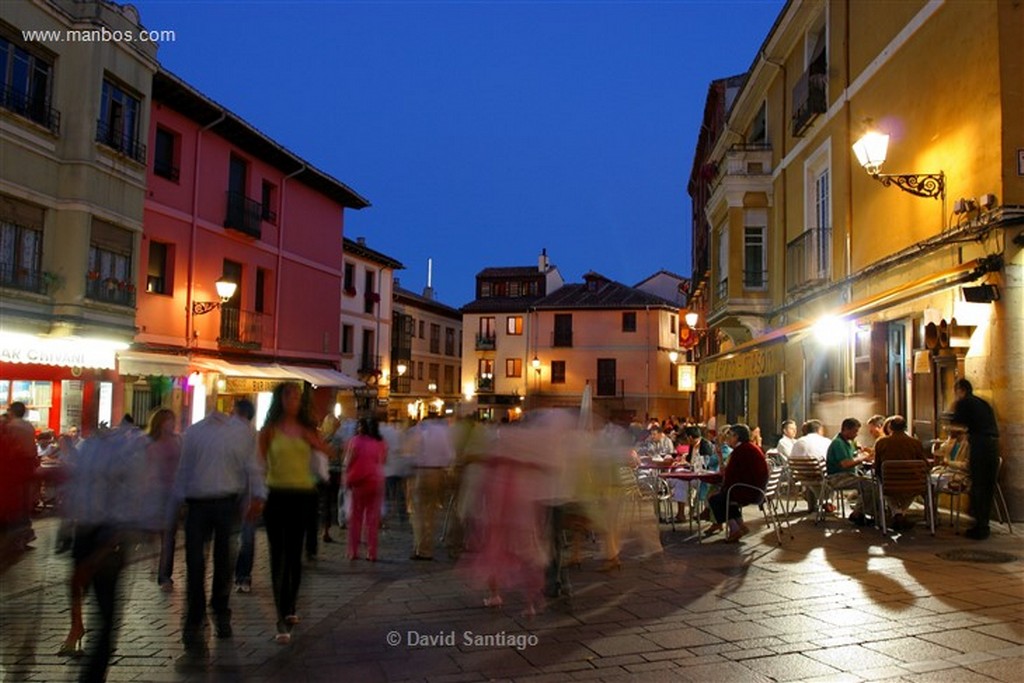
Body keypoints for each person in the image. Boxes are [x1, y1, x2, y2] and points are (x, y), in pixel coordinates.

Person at [173, 401, 265, 650]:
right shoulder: (237, 434)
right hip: (225, 504)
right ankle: (218, 613)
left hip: (200, 505)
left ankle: (198, 618)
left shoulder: (193, 432)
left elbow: (183, 470)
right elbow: (253, 469)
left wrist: (178, 501)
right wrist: (257, 495)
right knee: (221, 561)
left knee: (197, 563)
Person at [259, 382, 328, 643]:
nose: (294, 400)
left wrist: (318, 443)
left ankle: (290, 607)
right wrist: (256, 497)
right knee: (278, 557)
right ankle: (280, 618)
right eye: (290, 395)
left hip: (302, 496)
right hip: (277, 496)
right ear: (280, 400)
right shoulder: (268, 432)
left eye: (298, 396)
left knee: (295, 556)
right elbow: (260, 465)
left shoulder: (306, 430)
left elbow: (324, 452)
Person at [951, 378, 1000, 540]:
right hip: (993, 446)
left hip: (980, 445)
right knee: (987, 486)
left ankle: (980, 528)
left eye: (956, 391)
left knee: (978, 484)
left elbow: (956, 421)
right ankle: (983, 524)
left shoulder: (964, 403)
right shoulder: (982, 403)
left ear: (961, 390)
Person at [705, 424, 769, 543]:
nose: (727, 438)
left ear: (736, 436)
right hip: (757, 489)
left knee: (715, 499)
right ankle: (741, 526)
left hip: (748, 490)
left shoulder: (740, 451)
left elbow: (728, 475)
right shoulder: (751, 447)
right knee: (724, 496)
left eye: (730, 435)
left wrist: (723, 489)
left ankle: (734, 529)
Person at [408, 415, 455, 561]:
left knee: (417, 513)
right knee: (430, 513)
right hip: (437, 473)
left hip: (420, 472)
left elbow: (410, 452)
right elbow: (449, 455)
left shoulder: (419, 430)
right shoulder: (443, 432)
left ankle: (420, 548)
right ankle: (427, 548)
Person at [145, 409, 181, 592]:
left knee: (168, 536)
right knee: (154, 533)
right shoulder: (149, 442)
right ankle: (155, 564)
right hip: (154, 492)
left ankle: (164, 574)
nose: (171, 423)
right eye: (168, 420)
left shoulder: (177, 441)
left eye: (172, 420)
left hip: (172, 493)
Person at [872, 415, 929, 530]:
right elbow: (925, 464)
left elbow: (877, 466)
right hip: (913, 484)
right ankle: (901, 513)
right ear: (905, 427)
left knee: (885, 486)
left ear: (890, 427)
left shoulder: (881, 443)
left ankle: (897, 513)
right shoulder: (915, 443)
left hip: (890, 483)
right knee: (911, 488)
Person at [344, 418, 387, 561]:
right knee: (372, 519)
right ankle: (372, 552)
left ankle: (353, 551)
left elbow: (348, 461)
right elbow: (383, 460)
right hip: (375, 482)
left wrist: (346, 476)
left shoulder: (355, 441)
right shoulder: (378, 443)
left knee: (355, 518)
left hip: (359, 483)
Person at [825, 417, 876, 527]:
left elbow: (854, 452)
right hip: (838, 477)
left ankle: (860, 513)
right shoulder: (838, 443)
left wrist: (860, 450)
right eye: (855, 431)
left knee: (871, 482)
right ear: (846, 430)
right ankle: (859, 513)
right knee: (871, 485)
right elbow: (845, 464)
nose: (856, 434)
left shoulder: (848, 441)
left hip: (848, 475)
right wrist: (862, 458)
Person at [231, 399, 259, 593]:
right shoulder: (253, 435)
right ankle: (243, 576)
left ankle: (238, 575)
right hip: (245, 491)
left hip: (237, 490)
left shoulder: (249, 435)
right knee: (246, 536)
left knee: (238, 536)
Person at [789, 420, 833, 512]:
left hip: (801, 476)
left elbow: (791, 458)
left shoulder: (798, 442)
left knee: (811, 476)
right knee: (826, 475)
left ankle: (822, 503)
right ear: (820, 430)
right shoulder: (826, 441)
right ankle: (827, 501)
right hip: (820, 476)